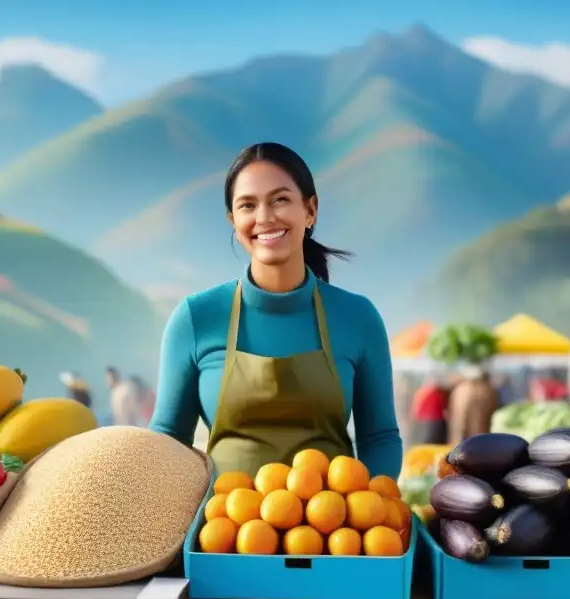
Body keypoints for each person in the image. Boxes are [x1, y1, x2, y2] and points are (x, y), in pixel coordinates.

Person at [149, 142, 402, 478]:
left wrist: (368, 509)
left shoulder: (358, 317)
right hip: (221, 525)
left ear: (310, 210)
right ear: (233, 221)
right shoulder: (196, 318)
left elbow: (380, 437)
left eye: (280, 199)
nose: (264, 217)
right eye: (247, 206)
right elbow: (168, 439)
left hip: (334, 527)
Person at [446, 366, 499, 445]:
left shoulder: (460, 390)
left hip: (461, 439)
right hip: (481, 438)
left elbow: (457, 419)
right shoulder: (488, 389)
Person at [409, 375, 448, 446]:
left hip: (420, 421)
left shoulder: (422, 391)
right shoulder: (436, 392)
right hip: (434, 421)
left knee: (424, 444)